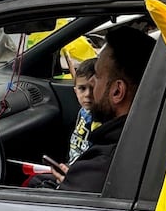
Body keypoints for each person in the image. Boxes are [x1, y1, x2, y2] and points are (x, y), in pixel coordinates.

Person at [46, 25, 154, 193]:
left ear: (117, 91)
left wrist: (66, 184)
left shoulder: (103, 165)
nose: (91, 83)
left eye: (96, 76)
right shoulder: (151, 133)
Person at [66, 59, 98, 164]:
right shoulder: (82, 111)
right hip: (73, 161)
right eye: (82, 88)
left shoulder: (99, 119)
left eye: (93, 88)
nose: (88, 94)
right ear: (75, 91)